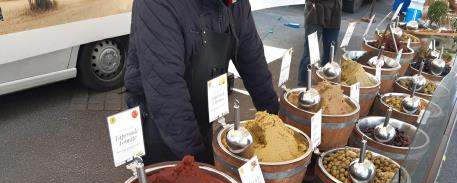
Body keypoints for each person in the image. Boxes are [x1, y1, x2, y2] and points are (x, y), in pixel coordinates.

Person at [125, 0, 279, 165]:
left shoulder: (235, 3)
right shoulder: (156, 4)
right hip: (160, 125)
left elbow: (252, 58)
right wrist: (200, 163)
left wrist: (275, 118)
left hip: (200, 114)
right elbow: (167, 93)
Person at [297, 0, 342, 87]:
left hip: (334, 10)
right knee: (310, 51)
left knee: (330, 50)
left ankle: (325, 82)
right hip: (315, 10)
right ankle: (302, 86)